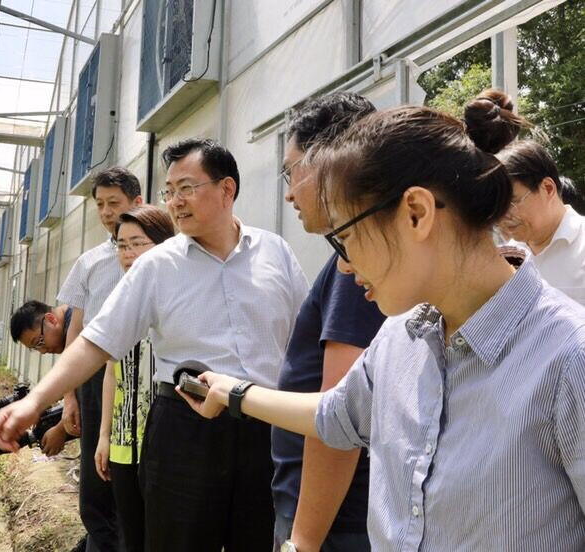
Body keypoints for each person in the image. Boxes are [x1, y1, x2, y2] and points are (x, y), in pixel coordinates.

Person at [181, 105, 585, 550]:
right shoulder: (401, 335)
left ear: (415, 212)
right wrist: (233, 392)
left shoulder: (569, 359)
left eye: (345, 236)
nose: (346, 265)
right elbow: (337, 415)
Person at [0, 138, 309, 551]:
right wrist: (34, 402)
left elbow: (304, 340)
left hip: (266, 422)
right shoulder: (158, 265)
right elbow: (96, 341)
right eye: (169, 192)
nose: (175, 202)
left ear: (227, 189)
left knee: (259, 538)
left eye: (187, 188)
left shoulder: (275, 252)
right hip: (185, 428)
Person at [273, 93, 385, 551]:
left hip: (334, 519)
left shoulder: (354, 265)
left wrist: (303, 540)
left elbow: (339, 416)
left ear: (329, 163)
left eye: (291, 170)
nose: (287, 192)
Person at [57, 167, 143, 551]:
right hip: (95, 376)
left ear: (136, 203)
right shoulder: (89, 262)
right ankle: (99, 539)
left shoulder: (160, 254)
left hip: (143, 377)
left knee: (135, 470)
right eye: (101, 205)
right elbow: (75, 332)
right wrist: (69, 396)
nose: (107, 212)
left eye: (115, 204)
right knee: (98, 463)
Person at [94, 205, 175, 552]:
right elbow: (113, 371)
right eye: (121, 245)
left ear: (164, 245)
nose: (128, 254)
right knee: (131, 535)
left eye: (137, 243)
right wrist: (104, 435)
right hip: (124, 445)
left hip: (167, 445)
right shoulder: (118, 301)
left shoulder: (177, 299)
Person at [476, 92, 585, 305]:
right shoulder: (507, 259)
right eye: (498, 207)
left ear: (548, 188)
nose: (503, 217)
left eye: (512, 202)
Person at [8, 300, 72, 456]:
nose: (42, 351)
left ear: (51, 319)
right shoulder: (72, 322)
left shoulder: (78, 328)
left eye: (39, 342)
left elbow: (90, 398)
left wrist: (61, 430)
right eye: (35, 348)